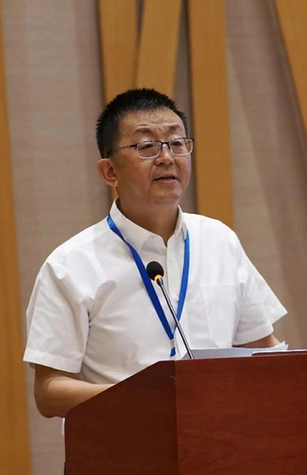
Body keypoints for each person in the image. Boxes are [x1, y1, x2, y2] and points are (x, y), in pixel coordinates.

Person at [22, 88, 287, 419]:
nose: (166, 157)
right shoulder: (71, 265)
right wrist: (146, 398)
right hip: (123, 445)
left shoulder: (219, 241)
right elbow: (49, 391)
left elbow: (263, 352)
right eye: (146, 146)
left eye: (177, 143)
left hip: (217, 440)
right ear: (110, 172)